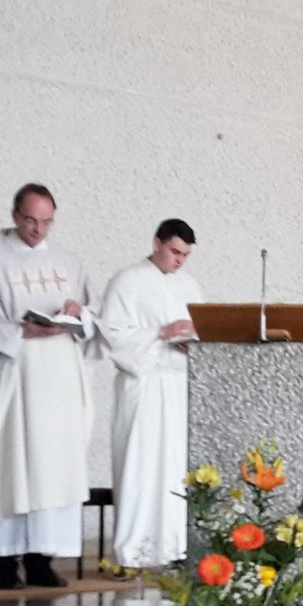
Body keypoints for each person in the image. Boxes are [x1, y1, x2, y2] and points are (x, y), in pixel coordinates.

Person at [0, 183, 100, 589]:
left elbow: (94, 314)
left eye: (47, 222)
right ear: (15, 215)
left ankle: (41, 559)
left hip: (58, 382)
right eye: (31, 221)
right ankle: (3, 563)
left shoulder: (67, 261)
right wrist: (20, 333)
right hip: (15, 379)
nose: (39, 230)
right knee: (11, 464)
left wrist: (79, 312)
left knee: (52, 466)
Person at [102, 219, 204, 569]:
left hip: (177, 384)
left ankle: (176, 547)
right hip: (143, 383)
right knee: (141, 466)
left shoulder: (189, 285)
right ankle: (135, 551)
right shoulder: (127, 281)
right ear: (156, 242)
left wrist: (192, 345)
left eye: (185, 255)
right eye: (174, 252)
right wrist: (160, 333)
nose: (179, 261)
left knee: (176, 467)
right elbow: (113, 335)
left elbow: (201, 330)